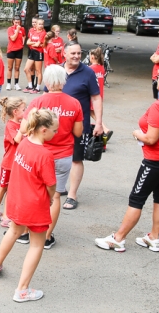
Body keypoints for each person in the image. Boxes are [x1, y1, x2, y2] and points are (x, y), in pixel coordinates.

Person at [95, 66, 159, 253]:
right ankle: (153, 238)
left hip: (155, 160)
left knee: (136, 199)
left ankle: (118, 239)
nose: (157, 79)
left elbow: (152, 138)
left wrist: (137, 134)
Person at [0, 108, 58, 304]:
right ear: (43, 130)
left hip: (17, 200)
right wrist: (50, 199)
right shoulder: (45, 154)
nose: (56, 133)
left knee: (13, 231)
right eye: (54, 130)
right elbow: (51, 184)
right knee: (37, 244)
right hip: (35, 204)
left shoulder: (24, 142)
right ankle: (22, 289)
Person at [20, 65, 83, 249]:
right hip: (63, 155)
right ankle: (46, 236)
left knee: (32, 193)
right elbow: (78, 132)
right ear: (64, 81)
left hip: (38, 156)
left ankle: (25, 232)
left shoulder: (38, 102)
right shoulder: (74, 103)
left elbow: (24, 128)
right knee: (55, 197)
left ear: (46, 81)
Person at [61, 42, 103, 210]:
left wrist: (99, 122)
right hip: (55, 125)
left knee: (76, 158)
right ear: (64, 54)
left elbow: (96, 98)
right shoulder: (56, 70)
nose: (77, 56)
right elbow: (46, 93)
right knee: (54, 156)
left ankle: (72, 194)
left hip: (79, 124)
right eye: (73, 53)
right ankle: (57, 188)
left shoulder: (88, 72)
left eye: (79, 53)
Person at [0, 97, 25, 224]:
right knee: (4, 188)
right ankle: (1, 215)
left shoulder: (20, 124)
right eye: (23, 109)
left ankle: (1, 213)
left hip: (17, 163)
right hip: (9, 164)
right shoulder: (11, 125)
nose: (25, 112)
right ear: (15, 111)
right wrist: (23, 128)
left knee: (10, 189)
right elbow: (17, 139)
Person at [88, 47, 111, 138]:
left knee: (92, 112)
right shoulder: (101, 68)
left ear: (92, 57)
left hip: (92, 94)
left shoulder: (90, 69)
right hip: (100, 93)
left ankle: (104, 128)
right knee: (95, 112)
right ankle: (102, 128)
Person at [23, 19, 46, 93]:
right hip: (32, 51)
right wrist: (35, 43)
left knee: (38, 71)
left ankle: (37, 88)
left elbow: (37, 44)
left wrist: (33, 43)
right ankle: (30, 86)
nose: (41, 26)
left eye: (42, 24)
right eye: (39, 24)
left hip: (38, 52)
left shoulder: (43, 33)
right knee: (26, 69)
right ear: (36, 25)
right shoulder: (33, 32)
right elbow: (27, 42)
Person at [6, 16, 25, 90]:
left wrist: (22, 42)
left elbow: (24, 35)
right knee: (10, 67)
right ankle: (8, 83)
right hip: (11, 49)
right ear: (13, 21)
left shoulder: (22, 29)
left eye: (18, 22)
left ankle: (16, 84)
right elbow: (13, 38)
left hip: (19, 50)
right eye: (15, 22)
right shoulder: (10, 29)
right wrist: (17, 30)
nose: (17, 24)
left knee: (17, 68)